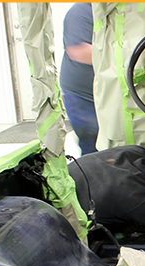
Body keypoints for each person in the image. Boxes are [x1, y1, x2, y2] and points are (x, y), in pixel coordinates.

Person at [60, 3, 99, 155]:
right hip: (83, 96)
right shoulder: (81, 12)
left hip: (103, 95)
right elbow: (81, 52)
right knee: (93, 146)